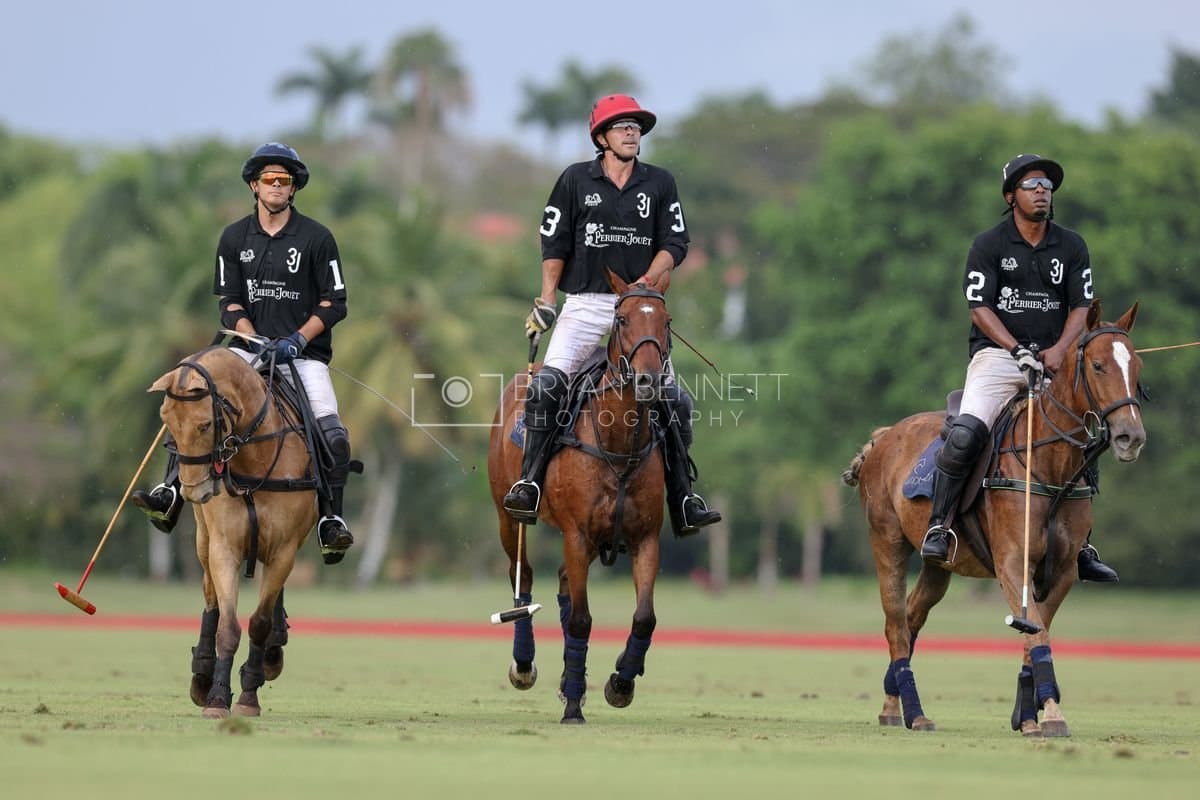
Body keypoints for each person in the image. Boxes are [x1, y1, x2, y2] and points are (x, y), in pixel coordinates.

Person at [502, 94, 722, 537]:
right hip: (586, 304)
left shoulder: (659, 183)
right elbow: (555, 242)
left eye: (635, 127)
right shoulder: (574, 180)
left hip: (640, 307)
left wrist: (646, 283)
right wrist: (547, 300)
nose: (631, 133)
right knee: (546, 388)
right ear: (601, 137)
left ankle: (683, 498)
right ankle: (529, 484)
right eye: (622, 127)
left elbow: (675, 243)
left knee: (675, 401)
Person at [131, 143, 356, 565]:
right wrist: (254, 338)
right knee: (192, 408)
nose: (276, 186)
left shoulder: (317, 238)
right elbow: (230, 302)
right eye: (269, 179)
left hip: (302, 356)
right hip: (246, 354)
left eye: (284, 180)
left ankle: (330, 520)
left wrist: (296, 339)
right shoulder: (234, 237)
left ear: (293, 189)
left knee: (334, 435)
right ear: (254, 185)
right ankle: (170, 492)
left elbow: (333, 303)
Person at [921, 153, 1118, 582]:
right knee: (967, 432)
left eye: (1047, 185)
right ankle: (940, 525)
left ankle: (1082, 543)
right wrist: (1015, 349)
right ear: (1011, 196)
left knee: (1085, 434)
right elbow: (979, 308)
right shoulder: (988, 245)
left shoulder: (1071, 246)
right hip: (996, 357)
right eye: (1031, 185)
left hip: (1053, 359)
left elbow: (1081, 306)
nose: (1042, 191)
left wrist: (1061, 349)